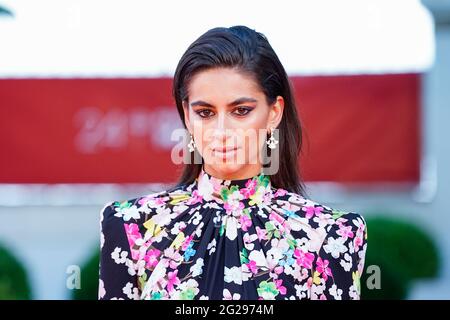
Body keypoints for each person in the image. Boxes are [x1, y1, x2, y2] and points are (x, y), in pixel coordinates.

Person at [98, 25, 367, 300]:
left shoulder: (328, 235)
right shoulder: (131, 227)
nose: (222, 131)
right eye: (205, 112)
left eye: (241, 111)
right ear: (187, 118)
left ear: (274, 112)